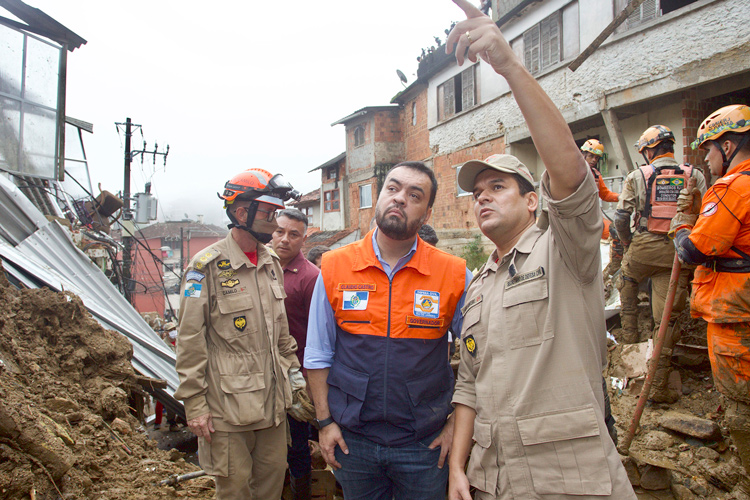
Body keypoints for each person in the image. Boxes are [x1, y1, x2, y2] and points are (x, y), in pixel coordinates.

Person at [444, 2, 636, 499]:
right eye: (477, 191)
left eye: (498, 186)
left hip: (569, 480)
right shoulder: (479, 286)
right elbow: (469, 384)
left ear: (534, 201)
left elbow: (571, 174)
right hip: (493, 480)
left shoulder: (564, 250)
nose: (482, 195)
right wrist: (458, 468)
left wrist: (509, 67)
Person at [305, 160, 472, 500]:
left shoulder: (453, 274)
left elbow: (478, 357)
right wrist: (325, 423)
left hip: (424, 445)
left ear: (426, 214)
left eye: (414, 195)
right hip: (354, 444)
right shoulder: (336, 266)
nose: (399, 199)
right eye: (392, 189)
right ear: (380, 197)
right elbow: (318, 353)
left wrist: (457, 423)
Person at [173, 168, 302, 499]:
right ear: (242, 212)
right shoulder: (205, 267)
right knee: (234, 492)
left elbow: (281, 337)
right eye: (270, 214)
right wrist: (195, 405)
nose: (275, 224)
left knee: (272, 486)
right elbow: (189, 341)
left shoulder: (271, 262)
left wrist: (296, 381)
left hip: (273, 407)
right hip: (227, 411)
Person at [671, 104, 750, 496]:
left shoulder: (734, 187)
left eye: (709, 149)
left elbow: (696, 251)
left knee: (740, 399)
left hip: (736, 311)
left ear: (730, 145)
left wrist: (682, 226)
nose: (706, 157)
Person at [614, 124, 707, 402]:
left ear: (649, 150)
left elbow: (620, 218)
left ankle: (630, 364)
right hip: (676, 255)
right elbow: (705, 214)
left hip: (643, 248)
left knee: (627, 292)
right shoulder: (694, 174)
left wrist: (629, 243)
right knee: (665, 319)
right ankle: (657, 386)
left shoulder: (637, 175)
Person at [271, 208, 320, 500]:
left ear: (304, 238)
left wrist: (308, 385)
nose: (284, 240)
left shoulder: (310, 278)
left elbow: (319, 337)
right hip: (260, 378)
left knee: (297, 446)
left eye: (293, 234)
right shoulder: (257, 268)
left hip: (295, 381)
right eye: (279, 231)